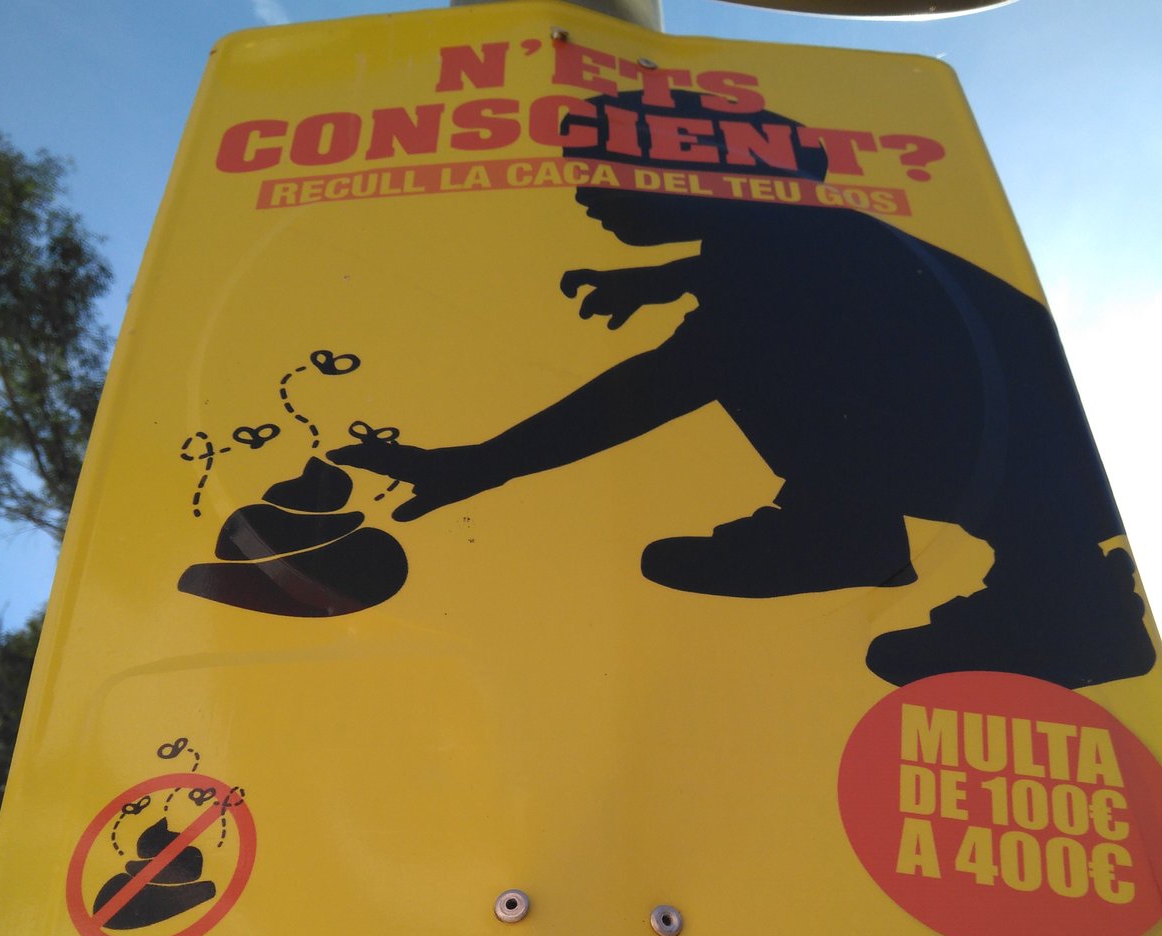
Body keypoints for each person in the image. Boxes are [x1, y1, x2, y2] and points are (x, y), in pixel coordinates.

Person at [328, 91, 1154, 689]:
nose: (582, 195)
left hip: (1037, 464)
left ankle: (1017, 585)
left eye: (601, 173)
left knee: (736, 357)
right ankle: (1031, 574)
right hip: (1050, 459)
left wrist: (482, 463)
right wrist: (667, 278)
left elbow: (664, 382)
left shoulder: (775, 264)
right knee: (753, 350)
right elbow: (769, 264)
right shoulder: (796, 241)